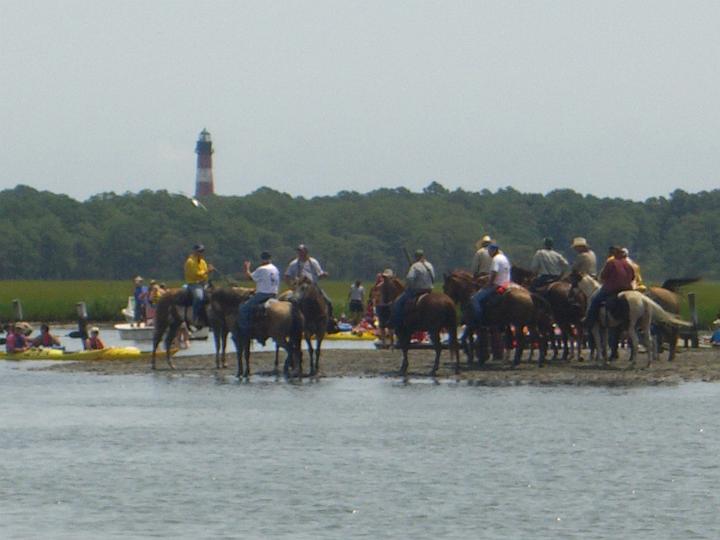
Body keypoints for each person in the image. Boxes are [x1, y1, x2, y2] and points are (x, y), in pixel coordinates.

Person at [285, 244, 335, 330]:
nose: (300, 253)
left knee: (328, 302)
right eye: (299, 251)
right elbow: (287, 276)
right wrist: (291, 286)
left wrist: (324, 275)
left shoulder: (313, 262)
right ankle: (290, 322)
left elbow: (319, 274)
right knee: (292, 301)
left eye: (301, 251)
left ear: (306, 252)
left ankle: (330, 322)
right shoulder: (293, 264)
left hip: (312, 286)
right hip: (299, 287)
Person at [583, 246, 635, 330]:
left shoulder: (611, 263)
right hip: (628, 289)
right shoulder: (628, 264)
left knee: (595, 300)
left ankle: (589, 322)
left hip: (612, 289)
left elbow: (603, 276)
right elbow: (633, 277)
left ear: (614, 254)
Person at [238, 251, 280, 340]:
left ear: (262, 259)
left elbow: (249, 277)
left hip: (263, 294)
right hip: (274, 294)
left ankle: (245, 331)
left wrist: (247, 268)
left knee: (243, 308)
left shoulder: (262, 269)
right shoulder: (275, 269)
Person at [389, 249, 435, 329]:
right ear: (423, 256)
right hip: (429, 290)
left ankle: (398, 324)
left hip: (417, 291)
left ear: (416, 257)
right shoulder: (430, 265)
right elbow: (433, 277)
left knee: (397, 303)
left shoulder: (415, 266)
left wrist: (408, 286)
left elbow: (410, 278)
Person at [470, 243, 511, 324]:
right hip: (506, 283)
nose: (488, 253)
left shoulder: (495, 259)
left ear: (494, 251)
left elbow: (494, 274)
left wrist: (488, 284)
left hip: (497, 284)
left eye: (489, 251)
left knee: (475, 299)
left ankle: (480, 321)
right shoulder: (504, 258)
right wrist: (484, 277)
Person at [184, 244, 215, 329]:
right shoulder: (190, 261)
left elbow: (204, 275)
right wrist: (207, 271)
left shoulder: (203, 262)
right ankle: (194, 317)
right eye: (199, 251)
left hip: (203, 283)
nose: (201, 253)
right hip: (193, 283)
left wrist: (208, 273)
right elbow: (195, 274)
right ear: (194, 251)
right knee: (199, 297)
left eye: (202, 251)